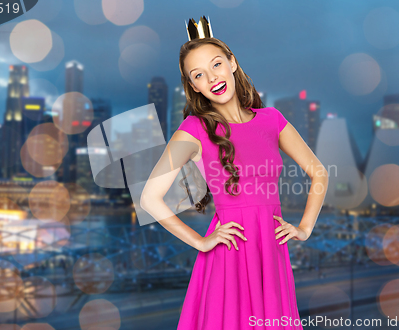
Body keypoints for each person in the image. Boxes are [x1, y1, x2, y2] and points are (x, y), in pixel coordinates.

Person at [140, 16, 328, 330]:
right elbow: (150, 198)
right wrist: (201, 242)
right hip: (230, 250)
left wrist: (305, 228)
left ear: (232, 62)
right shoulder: (195, 129)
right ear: (194, 86)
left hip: (271, 250)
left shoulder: (271, 119)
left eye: (216, 64)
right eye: (198, 74)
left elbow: (319, 173)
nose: (211, 77)